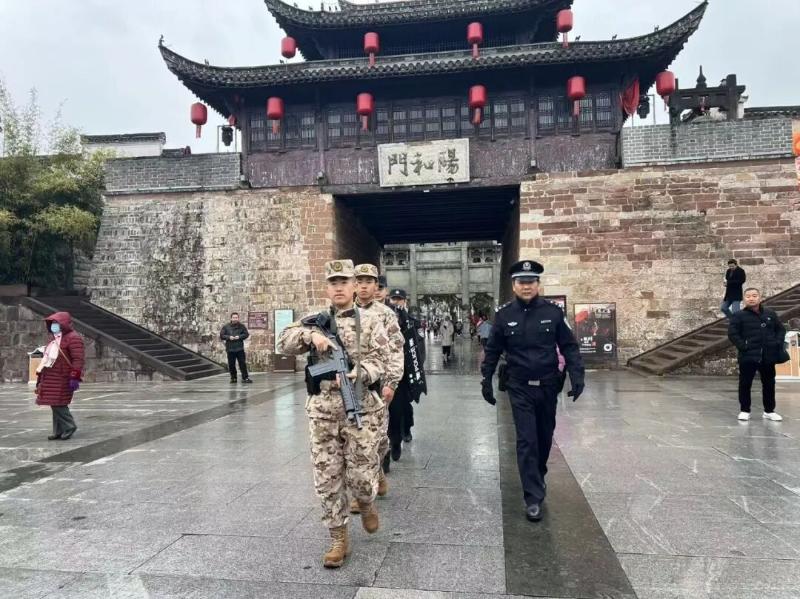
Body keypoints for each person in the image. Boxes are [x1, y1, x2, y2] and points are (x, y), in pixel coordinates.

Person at [278, 259, 389, 569]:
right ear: (327, 288)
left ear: (354, 286)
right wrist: (310, 337)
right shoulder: (315, 320)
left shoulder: (371, 321)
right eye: (333, 283)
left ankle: (366, 502)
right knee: (327, 478)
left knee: (361, 477)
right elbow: (283, 342)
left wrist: (360, 373)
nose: (339, 288)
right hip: (323, 412)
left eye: (344, 282)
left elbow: (382, 359)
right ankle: (338, 538)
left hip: (360, 408)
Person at [480, 260, 585, 522]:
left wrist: (577, 375)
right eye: (521, 282)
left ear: (538, 284)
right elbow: (492, 350)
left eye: (531, 282)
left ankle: (538, 474)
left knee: (544, 437)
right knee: (527, 440)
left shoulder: (553, 312)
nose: (526, 286)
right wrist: (486, 380)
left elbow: (569, 346)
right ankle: (533, 497)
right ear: (514, 285)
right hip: (519, 386)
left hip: (548, 385)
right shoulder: (504, 316)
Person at [350, 264, 404, 515]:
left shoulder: (386, 314)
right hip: (350, 385)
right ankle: (362, 492)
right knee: (356, 441)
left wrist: (391, 382)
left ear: (376, 286)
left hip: (377, 385)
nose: (363, 286)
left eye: (369, 282)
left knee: (378, 439)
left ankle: (377, 472)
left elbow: (396, 349)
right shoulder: (342, 312)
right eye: (359, 281)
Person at [728, 287, 786, 422]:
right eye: (748, 296)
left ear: (760, 298)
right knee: (745, 383)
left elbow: (780, 330)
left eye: (754, 296)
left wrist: (776, 343)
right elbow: (733, 333)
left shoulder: (770, 313)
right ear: (744, 299)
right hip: (748, 355)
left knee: (769, 383)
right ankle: (745, 410)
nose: (751, 298)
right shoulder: (738, 315)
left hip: (768, 355)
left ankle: (769, 411)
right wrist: (744, 346)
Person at [387, 288, 427, 458]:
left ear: (405, 301)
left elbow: (420, 349)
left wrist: (417, 369)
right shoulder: (383, 319)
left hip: (405, 371)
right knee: (392, 407)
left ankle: (406, 429)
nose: (396, 302)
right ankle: (393, 438)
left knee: (404, 405)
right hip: (388, 371)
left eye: (399, 299)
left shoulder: (412, 322)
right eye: (393, 299)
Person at [35, 312, 85, 441]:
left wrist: (74, 377)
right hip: (50, 375)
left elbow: (78, 359)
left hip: (63, 376)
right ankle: (58, 430)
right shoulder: (54, 338)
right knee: (54, 403)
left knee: (59, 403)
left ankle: (69, 426)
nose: (53, 326)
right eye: (52, 323)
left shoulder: (73, 338)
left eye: (56, 323)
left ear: (63, 324)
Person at [220, 312, 252, 384]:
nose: (235, 319)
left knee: (242, 363)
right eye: (234, 317)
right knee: (231, 364)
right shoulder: (226, 327)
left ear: (238, 318)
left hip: (239, 348)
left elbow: (246, 334)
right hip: (230, 348)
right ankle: (233, 378)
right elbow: (222, 335)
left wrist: (239, 337)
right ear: (231, 318)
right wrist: (229, 337)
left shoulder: (242, 326)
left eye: (236, 317)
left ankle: (245, 378)